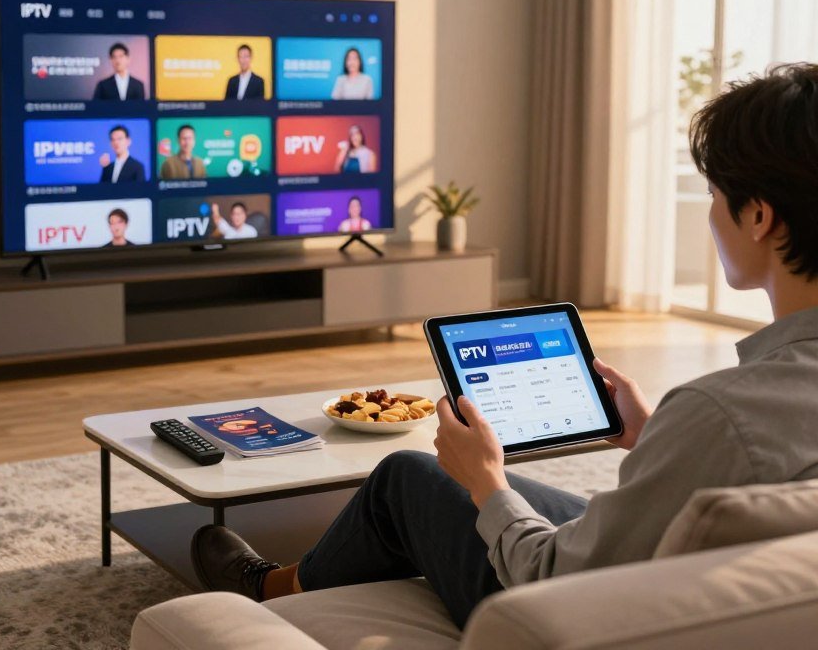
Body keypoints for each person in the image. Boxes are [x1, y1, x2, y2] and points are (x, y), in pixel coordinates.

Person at [190, 63, 818, 628]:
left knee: (408, 476)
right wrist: (653, 435)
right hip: (726, 597)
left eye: (712, 194)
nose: (710, 214)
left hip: (578, 616)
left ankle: (272, 590)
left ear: (759, 216)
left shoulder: (722, 414)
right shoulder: (737, 413)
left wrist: (486, 481)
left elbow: (550, 578)